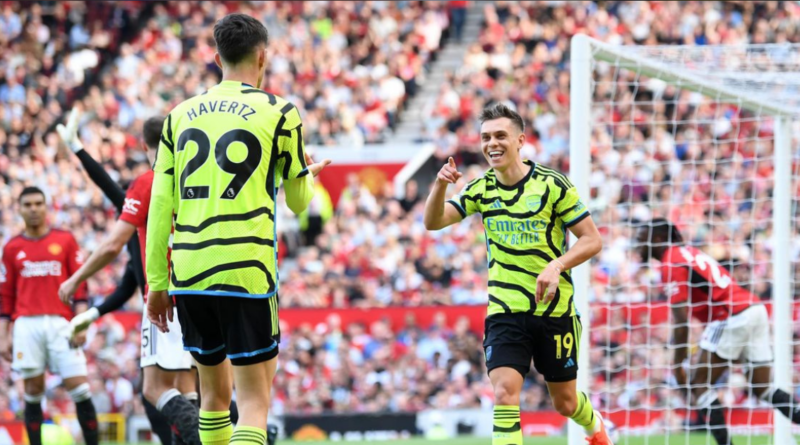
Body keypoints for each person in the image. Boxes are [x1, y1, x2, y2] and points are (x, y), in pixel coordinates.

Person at [146, 13, 330, 445]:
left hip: (189, 272)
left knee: (211, 398)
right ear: (263, 56)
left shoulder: (178, 115)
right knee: (252, 402)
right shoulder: (280, 111)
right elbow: (300, 203)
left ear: (216, 58)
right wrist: (305, 175)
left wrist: (158, 281)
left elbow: (159, 204)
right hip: (246, 269)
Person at [423, 103, 612, 445]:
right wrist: (439, 185)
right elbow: (433, 222)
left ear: (520, 140)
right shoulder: (481, 189)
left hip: (554, 310)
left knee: (566, 403)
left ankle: (594, 425)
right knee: (505, 393)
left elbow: (592, 239)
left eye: (500, 136)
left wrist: (556, 265)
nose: (491, 143)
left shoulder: (553, 184)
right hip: (505, 311)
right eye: (485, 137)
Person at [57, 116, 201, 444]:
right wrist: (78, 149)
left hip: (165, 299)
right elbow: (124, 286)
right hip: (200, 295)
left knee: (153, 389)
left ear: (143, 143)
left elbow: (111, 241)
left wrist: (75, 279)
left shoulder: (148, 186)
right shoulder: (192, 180)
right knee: (188, 389)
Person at [637, 218, 800, 445]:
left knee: (698, 384)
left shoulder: (671, 262)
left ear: (657, 239)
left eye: (641, 239)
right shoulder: (687, 252)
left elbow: (681, 321)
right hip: (753, 310)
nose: (637, 245)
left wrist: (677, 365)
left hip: (731, 316)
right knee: (763, 388)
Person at [0, 186, 100, 445]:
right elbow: (6, 296)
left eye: (38, 203)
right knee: (32, 392)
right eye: (28, 205)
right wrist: (3, 336)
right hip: (26, 325)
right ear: (20, 209)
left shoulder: (65, 240)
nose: (33, 209)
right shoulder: (12, 247)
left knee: (80, 387)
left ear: (46, 207)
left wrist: (80, 324)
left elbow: (80, 287)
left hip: (61, 323)